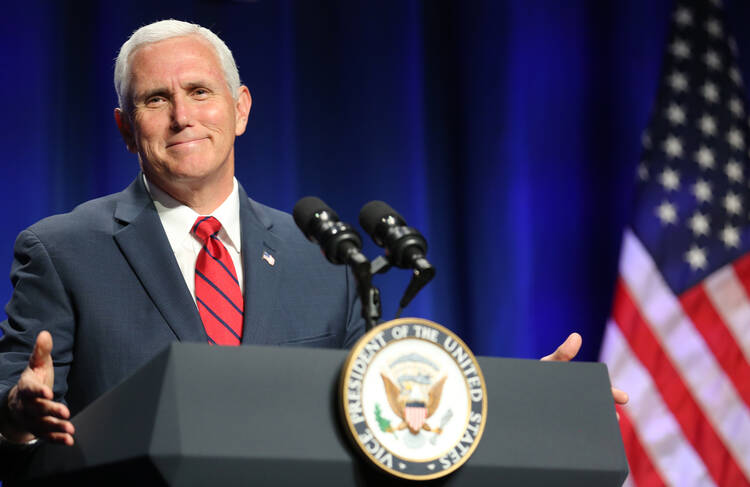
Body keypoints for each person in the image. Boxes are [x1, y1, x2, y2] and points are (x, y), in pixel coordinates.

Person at [0, 20, 626, 450]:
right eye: (156, 100)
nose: (182, 115)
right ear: (124, 127)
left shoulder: (324, 256)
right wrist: (18, 417)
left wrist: (520, 404)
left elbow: (383, 421)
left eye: (198, 92)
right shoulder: (62, 250)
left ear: (240, 108)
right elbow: (14, 406)